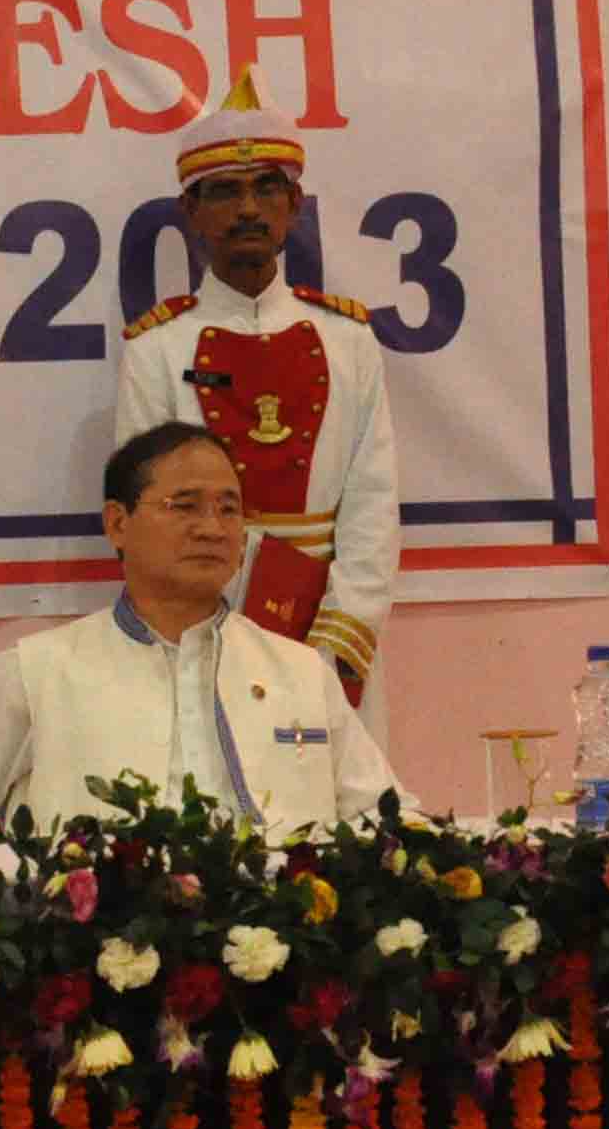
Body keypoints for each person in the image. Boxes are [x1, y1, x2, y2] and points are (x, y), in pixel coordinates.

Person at [0, 422, 404, 831]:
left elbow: (385, 812)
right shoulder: (38, 669)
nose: (212, 528)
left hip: (280, 943)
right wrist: (5, 880)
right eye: (184, 506)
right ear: (117, 523)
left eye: (229, 510)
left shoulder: (300, 671)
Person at [112, 67, 399, 705]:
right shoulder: (156, 348)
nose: (247, 209)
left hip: (326, 634)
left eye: (267, 189)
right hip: (200, 628)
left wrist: (342, 633)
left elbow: (373, 502)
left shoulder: (350, 341)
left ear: (294, 206)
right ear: (191, 211)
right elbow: (148, 514)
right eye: (224, 192)